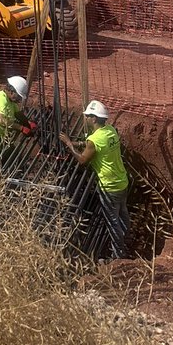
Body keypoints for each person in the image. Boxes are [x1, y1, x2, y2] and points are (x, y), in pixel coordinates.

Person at [60, 101, 130, 260]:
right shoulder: (110, 130)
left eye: (87, 116)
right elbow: (94, 145)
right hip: (122, 181)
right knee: (123, 215)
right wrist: (79, 143)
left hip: (109, 187)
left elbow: (82, 160)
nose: (85, 118)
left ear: (94, 118)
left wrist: (69, 144)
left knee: (113, 223)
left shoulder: (95, 139)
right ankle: (126, 239)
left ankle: (118, 257)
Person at [0, 76, 35, 163]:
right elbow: (1, 121)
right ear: (11, 91)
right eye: (19, 96)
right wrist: (21, 128)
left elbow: (19, 115)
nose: (19, 99)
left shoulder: (10, 101)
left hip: (1, 137)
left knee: (13, 157)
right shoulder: (2, 100)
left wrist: (28, 123)